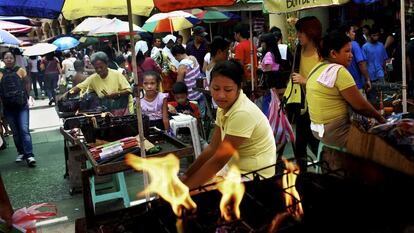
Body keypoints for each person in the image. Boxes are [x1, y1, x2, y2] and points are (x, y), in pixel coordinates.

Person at [181, 60, 276, 189]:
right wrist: (186, 176)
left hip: (255, 174)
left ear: (239, 88)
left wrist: (185, 189)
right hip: (235, 167)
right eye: (215, 88)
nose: (221, 95)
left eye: (228, 89)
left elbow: (218, 160)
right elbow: (213, 147)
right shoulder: (224, 106)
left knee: (200, 195)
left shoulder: (242, 113)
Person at [306, 31, 385, 148]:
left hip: (316, 130)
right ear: (333, 53)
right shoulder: (338, 71)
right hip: (336, 132)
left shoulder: (315, 69)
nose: (351, 55)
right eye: (347, 51)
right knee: (381, 145)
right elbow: (361, 106)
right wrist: (381, 119)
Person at [284, 16, 323, 172]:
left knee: (314, 143)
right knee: (300, 144)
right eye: (297, 32)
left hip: (318, 107)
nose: (298, 36)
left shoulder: (322, 53)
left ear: (311, 32)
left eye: (301, 32)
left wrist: (305, 80)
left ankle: (325, 169)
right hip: (301, 105)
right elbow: (294, 72)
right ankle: (303, 176)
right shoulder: (299, 50)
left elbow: (326, 82)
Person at [61, 51, 133, 116]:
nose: (99, 70)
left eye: (101, 67)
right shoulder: (93, 78)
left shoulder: (117, 74)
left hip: (124, 110)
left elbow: (129, 90)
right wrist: (67, 94)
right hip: (108, 112)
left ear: (106, 64)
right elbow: (79, 87)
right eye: (96, 68)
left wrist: (117, 94)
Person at [0, 51, 36, 167]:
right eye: (6, 58)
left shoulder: (20, 70)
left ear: (14, 59)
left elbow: (27, 82)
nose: (9, 59)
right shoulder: (0, 73)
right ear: (3, 60)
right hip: (8, 107)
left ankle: (29, 155)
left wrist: (27, 95)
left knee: (24, 130)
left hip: (22, 106)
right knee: (15, 132)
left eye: (11, 58)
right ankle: (21, 152)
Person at [339, 23, 372, 94]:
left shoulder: (337, 47)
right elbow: (361, 63)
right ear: (347, 33)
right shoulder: (353, 44)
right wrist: (367, 79)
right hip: (356, 85)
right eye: (353, 32)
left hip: (343, 86)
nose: (354, 34)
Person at [171, 44, 204, 113]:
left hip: (191, 96)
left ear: (177, 55)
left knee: (193, 115)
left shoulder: (182, 66)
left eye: (175, 57)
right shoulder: (193, 58)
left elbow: (179, 84)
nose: (176, 59)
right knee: (201, 114)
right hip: (200, 92)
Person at [362, 26, 388, 103]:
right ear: (370, 36)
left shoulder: (381, 45)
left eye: (377, 35)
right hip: (370, 75)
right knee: (372, 97)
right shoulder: (365, 47)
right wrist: (366, 77)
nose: (376, 37)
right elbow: (364, 63)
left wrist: (385, 70)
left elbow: (384, 59)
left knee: (382, 95)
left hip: (380, 73)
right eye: (374, 35)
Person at [233, 23, 258, 95]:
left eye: (235, 34)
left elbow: (239, 66)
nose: (234, 36)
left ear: (238, 34)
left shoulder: (240, 46)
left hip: (245, 81)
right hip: (253, 78)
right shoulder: (251, 44)